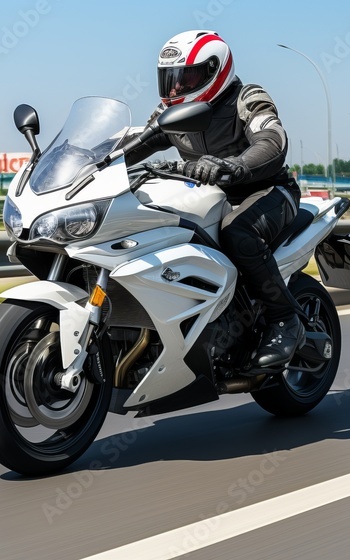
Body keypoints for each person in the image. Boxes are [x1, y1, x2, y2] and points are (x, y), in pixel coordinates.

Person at [126, 30, 304, 370]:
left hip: (265, 190)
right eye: (169, 79)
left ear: (214, 70)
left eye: (186, 76)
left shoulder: (246, 97)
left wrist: (236, 166)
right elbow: (133, 146)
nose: (175, 88)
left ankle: (285, 320)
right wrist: (87, 162)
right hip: (208, 196)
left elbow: (272, 139)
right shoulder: (170, 112)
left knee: (238, 233)